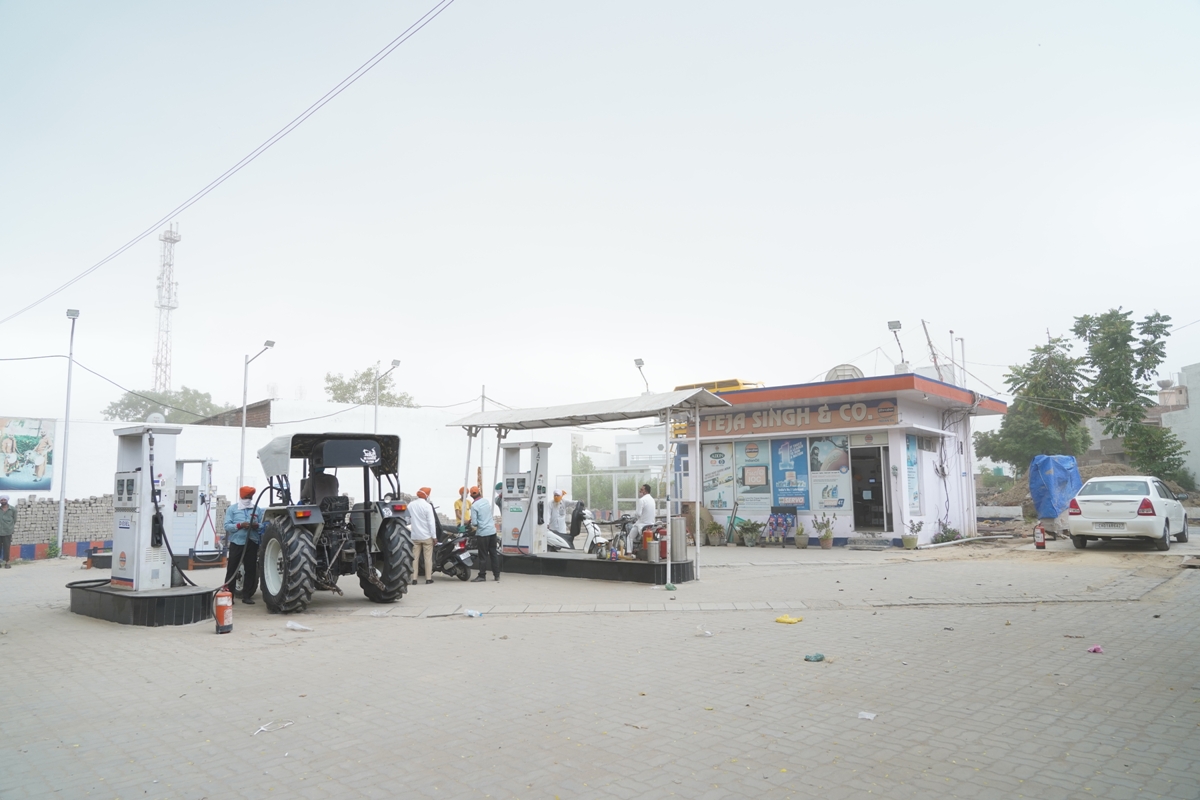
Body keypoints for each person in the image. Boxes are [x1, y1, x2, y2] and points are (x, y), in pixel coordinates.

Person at [223, 486, 266, 604]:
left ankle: (247, 595)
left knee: (250, 569)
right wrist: (240, 525)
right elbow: (227, 526)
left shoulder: (257, 509)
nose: (248, 499)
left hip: (251, 542)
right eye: (246, 497)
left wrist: (257, 526)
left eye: (250, 497)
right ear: (241, 496)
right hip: (237, 543)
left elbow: (262, 525)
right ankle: (229, 596)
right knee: (232, 569)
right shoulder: (232, 509)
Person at [468, 486, 499, 582]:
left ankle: (482, 575)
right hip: (492, 532)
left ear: (471, 496)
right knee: (493, 553)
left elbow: (474, 523)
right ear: (479, 492)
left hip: (483, 534)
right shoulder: (486, 501)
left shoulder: (474, 506)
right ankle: (496, 575)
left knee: (483, 555)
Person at [409, 487, 437, 585]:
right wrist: (434, 537)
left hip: (414, 536)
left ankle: (414, 579)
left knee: (414, 558)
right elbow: (431, 523)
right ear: (427, 495)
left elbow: (407, 519)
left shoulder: (411, 505)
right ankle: (428, 578)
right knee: (428, 559)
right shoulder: (427, 506)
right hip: (426, 537)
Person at [633, 483, 656, 550]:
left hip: (642, 524)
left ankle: (629, 553)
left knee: (630, 537)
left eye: (641, 489)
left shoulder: (642, 500)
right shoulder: (652, 500)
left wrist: (636, 516)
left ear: (645, 491)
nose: (640, 491)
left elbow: (638, 514)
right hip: (651, 524)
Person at [0, 495, 15, 568]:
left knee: (7, 548)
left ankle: (7, 562)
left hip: (7, 532)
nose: (3, 501)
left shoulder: (13, 509)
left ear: (7, 500)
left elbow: (14, 520)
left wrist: (9, 528)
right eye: (1, 500)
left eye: (4, 500)